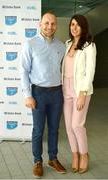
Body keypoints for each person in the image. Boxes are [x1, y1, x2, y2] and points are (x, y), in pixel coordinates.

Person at [20, 12, 66, 178]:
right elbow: (24, 70)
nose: (50, 26)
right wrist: (27, 95)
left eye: (53, 23)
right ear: (40, 24)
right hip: (38, 93)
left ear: (56, 26)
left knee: (54, 129)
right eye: (46, 23)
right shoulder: (30, 44)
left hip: (57, 94)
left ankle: (53, 159)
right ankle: (37, 161)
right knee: (38, 130)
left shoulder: (61, 46)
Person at [62, 14, 96, 174]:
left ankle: (84, 154)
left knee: (77, 125)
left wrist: (82, 93)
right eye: (72, 24)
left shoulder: (89, 45)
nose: (74, 27)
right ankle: (74, 155)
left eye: (77, 25)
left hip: (80, 89)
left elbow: (90, 71)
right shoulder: (67, 44)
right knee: (69, 126)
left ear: (83, 27)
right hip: (66, 89)